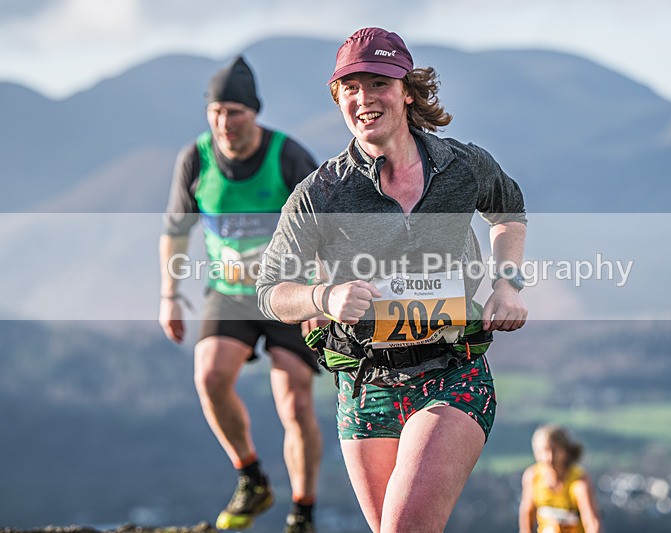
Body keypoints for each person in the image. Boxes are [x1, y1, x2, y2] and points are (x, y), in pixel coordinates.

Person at [256, 28, 528, 532]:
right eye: (350, 89)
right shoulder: (321, 194)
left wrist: (507, 282)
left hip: (450, 373)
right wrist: (323, 295)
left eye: (378, 83)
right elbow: (270, 289)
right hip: (364, 386)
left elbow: (508, 209)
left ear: (407, 91)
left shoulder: (461, 166)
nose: (364, 99)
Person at [158, 56, 322, 533]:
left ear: (255, 113)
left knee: (293, 398)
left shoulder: (288, 156)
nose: (224, 123)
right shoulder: (196, 159)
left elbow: (323, 230)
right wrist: (169, 294)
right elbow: (175, 229)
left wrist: (315, 296)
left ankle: (303, 512)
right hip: (229, 291)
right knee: (209, 375)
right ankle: (251, 478)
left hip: (289, 291)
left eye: (235, 112)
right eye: (215, 112)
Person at [519, 424, 602, 533]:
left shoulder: (578, 482)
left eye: (554, 450)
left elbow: (592, 523)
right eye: (542, 452)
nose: (548, 458)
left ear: (566, 451)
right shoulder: (532, 477)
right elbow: (527, 516)